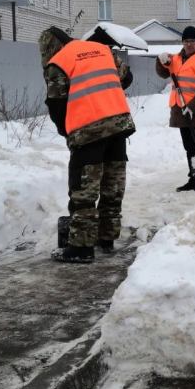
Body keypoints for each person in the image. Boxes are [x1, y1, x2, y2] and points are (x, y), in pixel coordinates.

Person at [38, 26, 135, 264]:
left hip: (88, 131)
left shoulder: (58, 62)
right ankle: (107, 237)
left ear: (48, 48)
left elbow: (56, 104)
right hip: (119, 124)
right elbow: (127, 77)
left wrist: (67, 132)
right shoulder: (100, 49)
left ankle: (81, 248)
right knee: (112, 186)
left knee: (84, 190)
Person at [155, 25, 195, 192]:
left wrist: (193, 106)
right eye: (186, 41)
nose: (189, 44)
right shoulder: (176, 58)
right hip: (181, 109)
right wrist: (160, 61)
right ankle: (194, 179)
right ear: (182, 42)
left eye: (193, 41)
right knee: (189, 145)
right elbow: (163, 73)